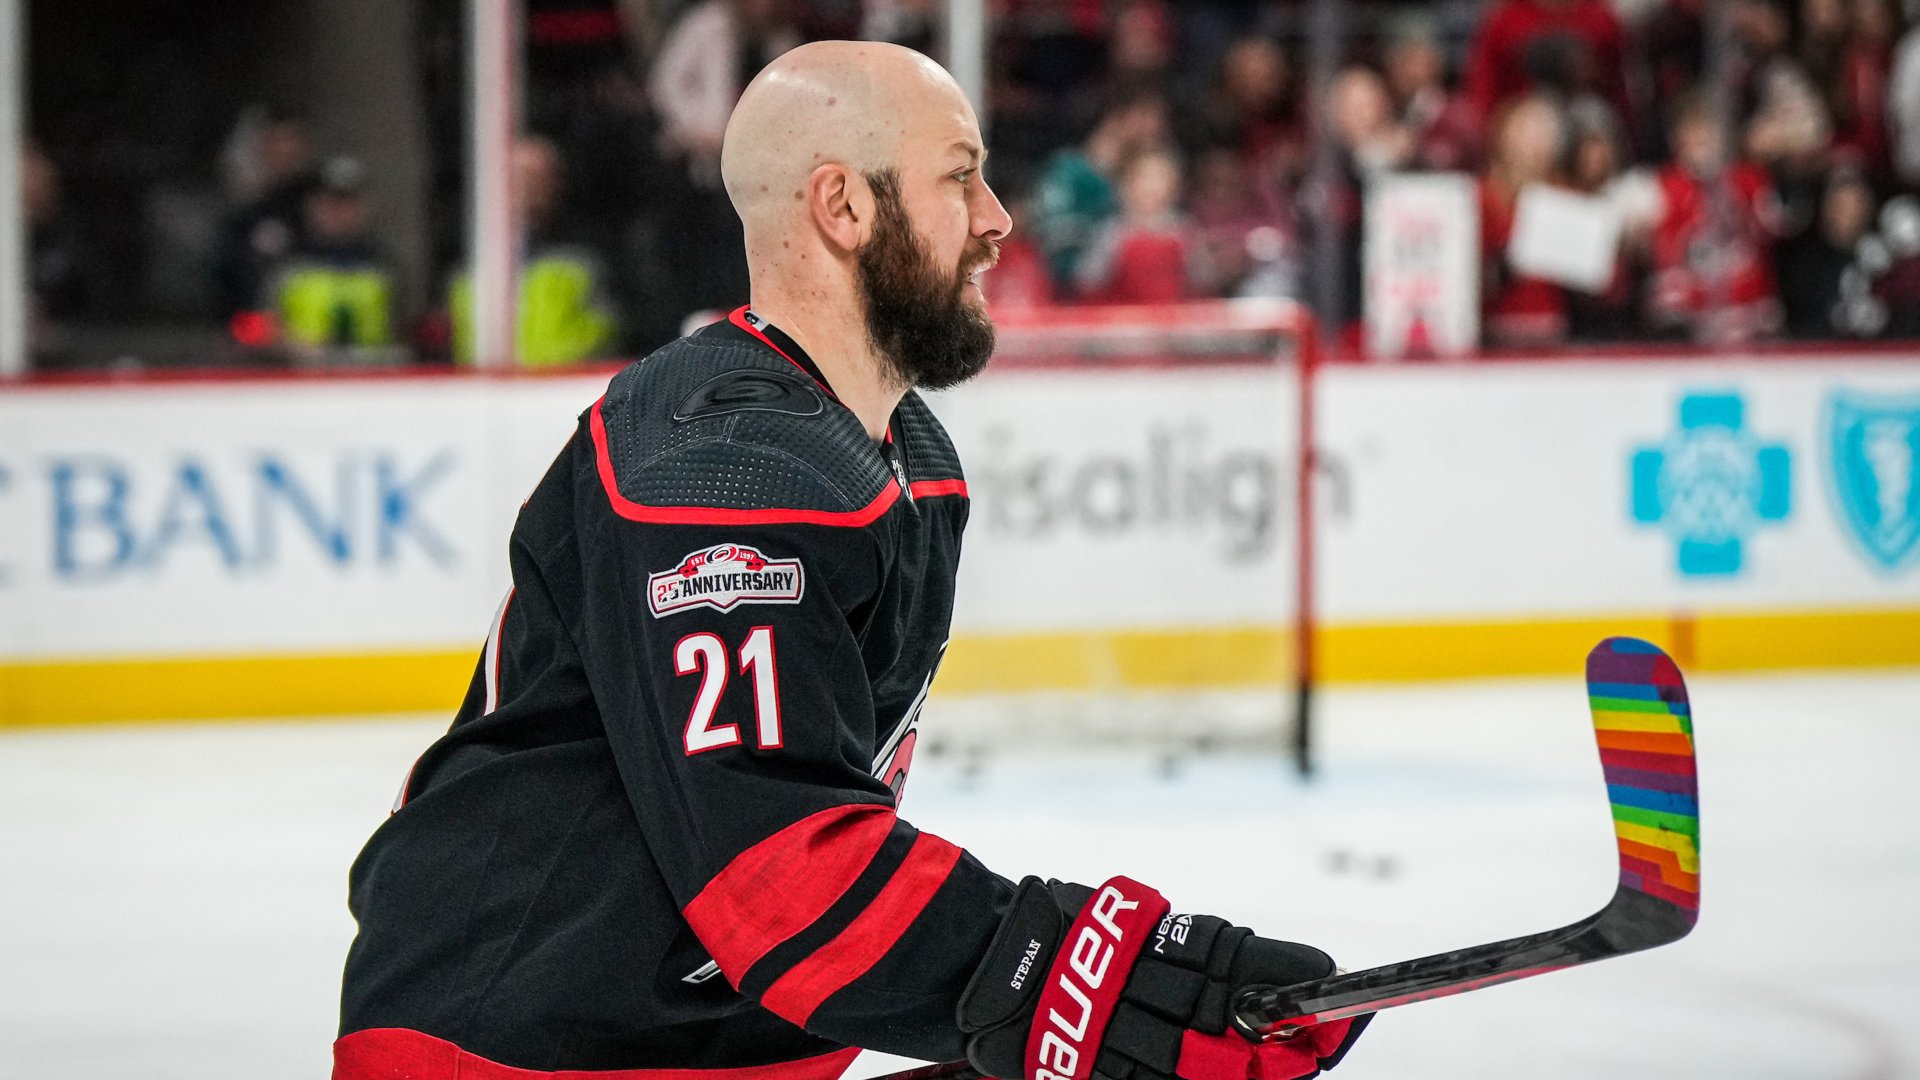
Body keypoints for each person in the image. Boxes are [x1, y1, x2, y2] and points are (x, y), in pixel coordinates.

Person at [334, 40, 1370, 1080]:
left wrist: (1078, 1017)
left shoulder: (909, 457)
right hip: (501, 1050)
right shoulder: (718, 461)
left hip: (695, 1045)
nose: (997, 218)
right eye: (960, 176)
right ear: (844, 207)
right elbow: (776, 872)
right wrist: (1072, 978)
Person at [450, 135, 618, 366]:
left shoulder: (589, 254)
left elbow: (609, 333)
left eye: (540, 175)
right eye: (521, 175)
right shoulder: (470, 258)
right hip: (481, 394)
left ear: (557, 183)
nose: (529, 185)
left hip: (565, 392)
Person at [266, 156, 399, 363]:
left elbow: (403, 331)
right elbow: (261, 329)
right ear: (312, 206)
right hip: (302, 383)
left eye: (349, 204)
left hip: (373, 383)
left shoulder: (384, 267)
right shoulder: (288, 266)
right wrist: (289, 345)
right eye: (331, 203)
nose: (340, 214)